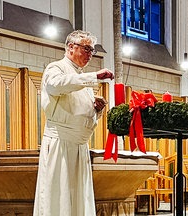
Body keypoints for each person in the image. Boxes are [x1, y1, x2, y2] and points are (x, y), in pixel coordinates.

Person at [33, 30, 114, 216]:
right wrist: (94, 77)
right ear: (71, 47)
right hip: (60, 144)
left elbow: (79, 112)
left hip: (79, 146)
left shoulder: (79, 76)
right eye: (87, 49)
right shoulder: (57, 68)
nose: (90, 55)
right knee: (58, 199)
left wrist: (96, 109)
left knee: (80, 201)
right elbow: (55, 85)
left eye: (92, 51)